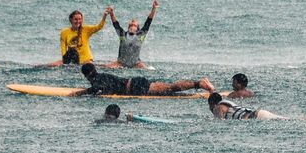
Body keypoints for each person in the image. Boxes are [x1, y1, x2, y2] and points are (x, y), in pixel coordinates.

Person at [77, 63, 214, 96]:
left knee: (171, 88)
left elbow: (97, 88)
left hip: (136, 86)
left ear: (86, 75)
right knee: (169, 88)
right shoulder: (102, 75)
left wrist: (80, 93)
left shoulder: (96, 80)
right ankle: (198, 83)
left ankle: (199, 83)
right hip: (136, 82)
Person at [106, 1, 158, 69]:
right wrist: (111, 13)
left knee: (150, 69)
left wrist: (154, 9)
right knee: (104, 67)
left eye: (134, 24)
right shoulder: (122, 34)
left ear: (138, 28)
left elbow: (148, 22)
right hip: (121, 63)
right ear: (128, 27)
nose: (132, 22)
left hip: (136, 64)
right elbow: (116, 24)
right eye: (131, 25)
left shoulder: (141, 35)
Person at [207, 92, 283, 120]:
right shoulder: (228, 103)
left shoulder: (217, 108)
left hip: (256, 117)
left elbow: (220, 122)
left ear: (212, 104)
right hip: (260, 113)